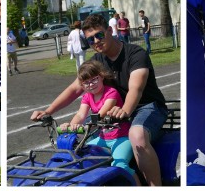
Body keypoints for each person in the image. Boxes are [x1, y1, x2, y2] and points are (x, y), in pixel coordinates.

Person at [31, 14, 168, 186]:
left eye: (99, 35)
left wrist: (125, 110)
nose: (96, 41)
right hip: (114, 112)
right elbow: (75, 89)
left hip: (147, 106)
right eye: (90, 40)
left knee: (137, 135)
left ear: (110, 31)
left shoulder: (135, 53)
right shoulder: (97, 61)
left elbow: (136, 89)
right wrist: (48, 111)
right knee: (78, 139)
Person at [59, 61, 137, 182]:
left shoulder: (111, 92)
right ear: (82, 85)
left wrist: (88, 125)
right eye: (86, 83)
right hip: (103, 138)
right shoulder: (87, 96)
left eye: (94, 79)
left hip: (121, 137)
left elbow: (103, 112)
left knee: (119, 165)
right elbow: (80, 114)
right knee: (81, 156)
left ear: (101, 76)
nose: (91, 85)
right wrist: (72, 125)